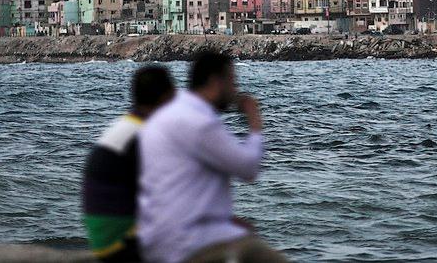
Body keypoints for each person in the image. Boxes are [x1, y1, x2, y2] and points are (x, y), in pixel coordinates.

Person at [138, 51, 287, 263]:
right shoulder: (199, 122)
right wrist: (254, 119)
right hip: (184, 243)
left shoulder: (172, 112)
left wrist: (225, 220)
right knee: (262, 255)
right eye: (233, 82)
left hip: (156, 234)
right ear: (217, 81)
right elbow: (248, 168)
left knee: (240, 233)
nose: (235, 91)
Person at [83, 64, 176, 262]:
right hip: (120, 244)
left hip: (103, 237)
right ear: (166, 97)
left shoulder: (128, 125)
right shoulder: (147, 136)